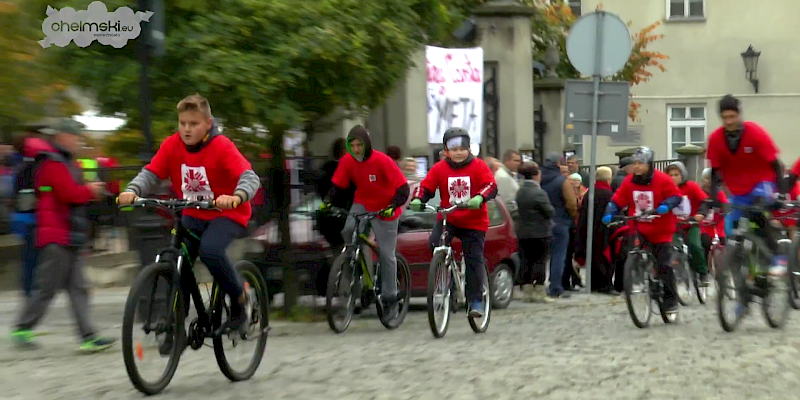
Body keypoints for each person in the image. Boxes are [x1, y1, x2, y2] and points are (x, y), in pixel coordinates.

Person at [119, 94, 261, 345]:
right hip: (192, 213)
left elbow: (249, 177)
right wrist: (133, 191)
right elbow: (151, 172)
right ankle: (176, 326)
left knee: (211, 250)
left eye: (193, 124)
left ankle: (241, 298)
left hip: (227, 214)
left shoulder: (222, 146)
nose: (186, 129)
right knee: (177, 262)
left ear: (208, 123)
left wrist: (237, 196)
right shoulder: (172, 145)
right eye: (182, 123)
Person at [10, 121, 115, 351]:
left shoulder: (64, 161)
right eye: (76, 137)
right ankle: (22, 327)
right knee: (46, 288)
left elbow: (72, 189)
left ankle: (88, 336)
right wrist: (91, 190)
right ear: (63, 136)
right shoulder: (53, 162)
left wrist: (89, 188)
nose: (78, 142)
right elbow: (69, 193)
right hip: (57, 235)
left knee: (79, 288)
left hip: (69, 235)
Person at [410, 127, 497, 316]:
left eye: (462, 148)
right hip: (448, 218)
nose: (458, 153)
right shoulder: (439, 168)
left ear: (469, 149)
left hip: (474, 221)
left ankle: (476, 300)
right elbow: (426, 186)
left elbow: (490, 185)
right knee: (435, 243)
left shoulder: (479, 166)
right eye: (454, 149)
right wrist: (418, 199)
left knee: (474, 257)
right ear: (446, 151)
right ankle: (446, 281)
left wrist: (480, 198)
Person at [323, 125, 410, 317]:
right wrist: (328, 202)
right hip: (362, 203)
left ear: (367, 144)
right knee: (348, 231)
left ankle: (390, 296)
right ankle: (354, 259)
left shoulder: (382, 161)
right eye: (352, 145)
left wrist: (392, 206)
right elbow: (338, 185)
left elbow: (403, 188)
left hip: (386, 207)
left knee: (387, 254)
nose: (356, 149)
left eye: (359, 145)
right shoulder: (347, 161)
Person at [706, 94, 786, 276]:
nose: (729, 121)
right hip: (737, 190)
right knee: (733, 230)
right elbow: (715, 172)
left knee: (757, 212)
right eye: (725, 117)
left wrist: (781, 194)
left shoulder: (755, 132)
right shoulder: (716, 139)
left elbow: (776, 164)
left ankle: (777, 256)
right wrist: (713, 198)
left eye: (732, 117)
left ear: (739, 115)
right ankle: (743, 282)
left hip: (762, 182)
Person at [602, 147, 683, 317]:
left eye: (640, 163)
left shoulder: (663, 179)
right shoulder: (629, 181)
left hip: (661, 230)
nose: (636, 167)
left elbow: (676, 197)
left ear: (649, 164)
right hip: (638, 227)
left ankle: (670, 301)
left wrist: (665, 206)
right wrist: (610, 212)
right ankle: (638, 279)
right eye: (635, 163)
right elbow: (618, 198)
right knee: (629, 254)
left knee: (664, 265)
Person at [665, 161, 710, 286]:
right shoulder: (665, 189)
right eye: (670, 175)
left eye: (676, 174)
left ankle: (703, 272)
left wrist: (701, 214)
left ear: (682, 175)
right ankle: (676, 273)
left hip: (691, 224)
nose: (673, 178)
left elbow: (704, 201)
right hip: (673, 226)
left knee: (695, 245)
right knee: (671, 248)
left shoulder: (691, 186)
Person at [540, 151, 578, 299]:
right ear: (558, 164)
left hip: (543, 222)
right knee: (558, 255)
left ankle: (537, 285)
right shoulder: (562, 181)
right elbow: (571, 203)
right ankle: (555, 287)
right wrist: (572, 216)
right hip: (560, 221)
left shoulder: (539, 178)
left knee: (543, 256)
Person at [514, 162, 553, 303]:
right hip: (540, 232)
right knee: (540, 261)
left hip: (523, 231)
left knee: (526, 261)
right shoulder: (539, 192)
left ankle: (527, 290)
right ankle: (540, 291)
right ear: (536, 175)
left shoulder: (520, 191)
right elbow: (549, 211)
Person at [575, 167, 616, 293]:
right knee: (605, 258)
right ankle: (605, 285)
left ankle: (594, 284)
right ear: (609, 179)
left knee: (593, 258)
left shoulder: (590, 193)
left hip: (589, 230)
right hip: (604, 230)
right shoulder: (608, 194)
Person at [315, 138, 353, 250]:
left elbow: (320, 191)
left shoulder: (324, 170)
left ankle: (339, 265)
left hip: (326, 218)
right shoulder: (349, 170)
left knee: (337, 249)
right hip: (345, 217)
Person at [563, 172, 586, 291]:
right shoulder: (568, 192)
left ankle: (577, 279)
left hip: (578, 225)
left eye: (577, 180)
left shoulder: (584, 191)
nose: (575, 182)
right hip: (573, 224)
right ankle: (573, 279)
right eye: (573, 180)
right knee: (570, 255)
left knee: (576, 255)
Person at [699, 168, 728, 254]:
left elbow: (725, 205)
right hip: (703, 226)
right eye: (706, 178)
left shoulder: (719, 193)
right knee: (705, 243)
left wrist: (723, 208)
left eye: (712, 179)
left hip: (716, 225)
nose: (709, 182)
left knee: (723, 244)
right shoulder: (698, 191)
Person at [495, 149, 521, 216]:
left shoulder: (508, 175)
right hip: (510, 215)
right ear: (506, 160)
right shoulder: (503, 177)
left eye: (519, 161)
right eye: (516, 161)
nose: (518, 163)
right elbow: (506, 202)